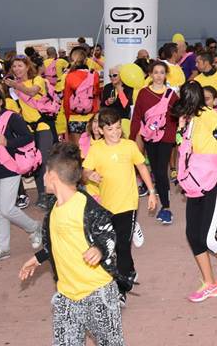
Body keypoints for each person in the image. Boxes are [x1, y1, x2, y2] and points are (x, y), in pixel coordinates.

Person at [18, 143, 126, 346]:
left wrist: (99, 249)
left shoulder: (87, 207)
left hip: (98, 295)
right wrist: (38, 258)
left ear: (51, 176)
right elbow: (58, 241)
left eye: (44, 173)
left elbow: (109, 234)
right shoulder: (54, 210)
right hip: (66, 297)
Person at [171, 82, 217, 303]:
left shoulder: (211, 116)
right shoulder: (186, 120)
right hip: (193, 183)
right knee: (193, 234)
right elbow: (181, 146)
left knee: (208, 237)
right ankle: (210, 284)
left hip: (214, 181)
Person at [82, 108, 156, 306]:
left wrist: (151, 192)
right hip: (107, 206)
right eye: (110, 129)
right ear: (101, 130)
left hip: (128, 204)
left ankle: (121, 290)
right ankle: (129, 271)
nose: (114, 133)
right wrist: (90, 175)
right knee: (113, 247)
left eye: (117, 128)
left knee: (122, 245)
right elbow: (85, 170)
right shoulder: (96, 149)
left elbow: (141, 166)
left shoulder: (129, 146)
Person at [0, 87, 42, 265]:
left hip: (9, 169)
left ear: (0, 101)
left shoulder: (11, 117)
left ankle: (35, 227)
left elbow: (28, 137)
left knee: (7, 209)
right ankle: (3, 248)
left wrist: (8, 142)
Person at [6, 56, 59, 209]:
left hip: (43, 125)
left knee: (44, 160)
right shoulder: (13, 88)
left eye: (20, 66)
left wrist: (16, 85)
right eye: (14, 66)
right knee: (34, 162)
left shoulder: (37, 80)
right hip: (28, 128)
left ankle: (48, 194)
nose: (16, 69)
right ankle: (43, 193)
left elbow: (31, 92)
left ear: (27, 67)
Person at [131, 61, 179, 225]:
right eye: (156, 72)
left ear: (166, 75)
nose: (159, 75)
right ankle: (159, 197)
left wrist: (173, 135)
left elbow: (177, 116)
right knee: (154, 168)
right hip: (149, 137)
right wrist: (133, 137)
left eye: (162, 72)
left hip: (166, 137)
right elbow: (137, 116)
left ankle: (166, 207)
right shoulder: (143, 93)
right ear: (150, 74)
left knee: (160, 170)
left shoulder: (172, 95)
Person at [63, 47, 101, 145]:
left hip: (74, 117)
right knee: (93, 147)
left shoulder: (69, 76)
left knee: (78, 149)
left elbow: (66, 99)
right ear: (85, 60)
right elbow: (96, 94)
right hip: (91, 116)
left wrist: (67, 118)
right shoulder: (94, 75)